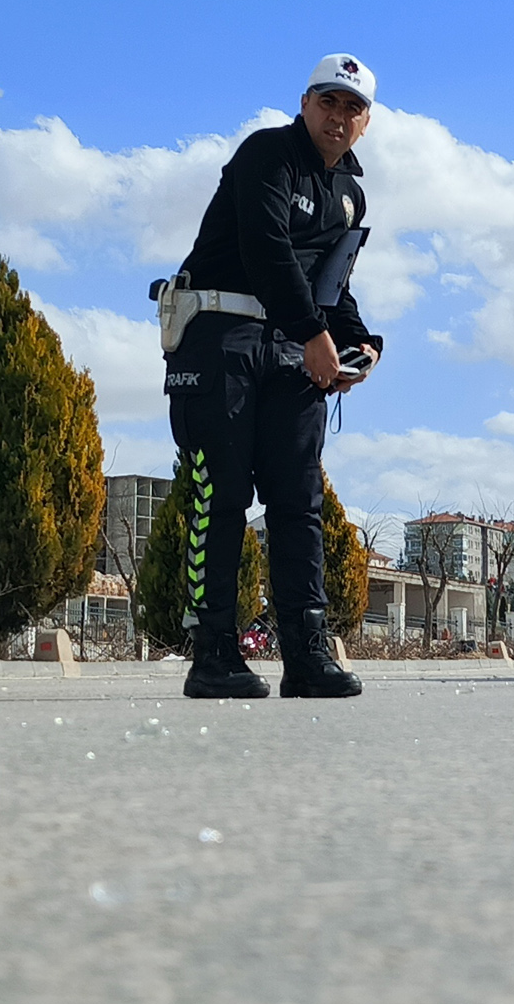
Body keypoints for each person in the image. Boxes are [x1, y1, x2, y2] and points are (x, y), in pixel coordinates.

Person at [160, 53, 385, 700]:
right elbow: (266, 248)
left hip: (291, 347)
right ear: (305, 102)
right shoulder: (268, 155)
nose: (338, 117)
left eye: (352, 107)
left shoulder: (350, 193)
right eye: (328, 102)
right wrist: (316, 335)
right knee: (222, 490)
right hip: (217, 335)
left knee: (298, 500)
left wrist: (359, 341)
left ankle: (307, 655)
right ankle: (214, 654)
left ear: (365, 121)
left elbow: (329, 285)